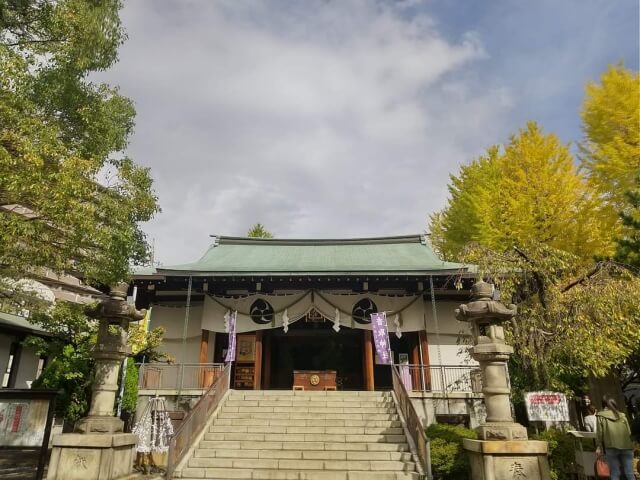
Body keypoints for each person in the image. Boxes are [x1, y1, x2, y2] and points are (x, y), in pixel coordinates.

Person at [596, 395, 635, 480]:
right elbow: (629, 432)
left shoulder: (600, 416)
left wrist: (599, 446)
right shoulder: (622, 416)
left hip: (611, 446)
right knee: (629, 472)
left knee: (614, 473)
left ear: (604, 405)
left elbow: (600, 433)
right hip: (626, 446)